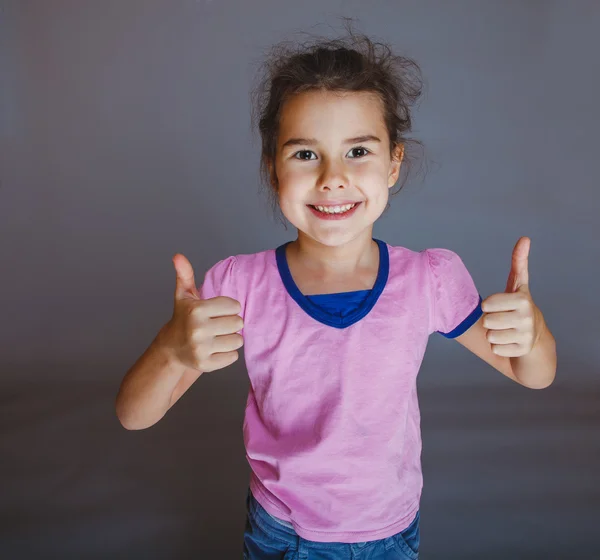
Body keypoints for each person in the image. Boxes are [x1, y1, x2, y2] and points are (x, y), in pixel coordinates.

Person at [115, 27, 557, 560]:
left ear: (393, 164)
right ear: (271, 166)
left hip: (391, 530)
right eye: (305, 154)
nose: (332, 178)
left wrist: (532, 335)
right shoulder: (238, 286)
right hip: (282, 531)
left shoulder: (429, 279)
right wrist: (170, 348)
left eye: (357, 151)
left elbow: (533, 375)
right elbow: (133, 414)